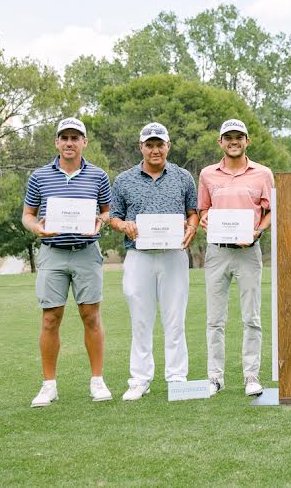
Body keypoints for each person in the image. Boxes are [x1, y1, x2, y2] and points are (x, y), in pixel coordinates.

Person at [21, 117, 112, 407]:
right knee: (50, 318)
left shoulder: (98, 176)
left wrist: (100, 222)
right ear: (57, 142)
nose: (69, 143)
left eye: (75, 138)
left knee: (91, 316)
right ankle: (49, 386)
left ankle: (97, 381)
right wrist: (37, 228)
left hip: (86, 252)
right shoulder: (39, 176)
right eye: (65, 138)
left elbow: (107, 211)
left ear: (84, 142)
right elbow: (28, 215)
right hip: (52, 253)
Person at [109, 123, 199, 401]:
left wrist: (192, 227)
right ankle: (140, 379)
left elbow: (193, 212)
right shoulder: (124, 180)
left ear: (168, 146)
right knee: (140, 320)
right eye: (149, 145)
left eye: (160, 144)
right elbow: (114, 217)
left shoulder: (183, 177)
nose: (155, 150)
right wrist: (124, 226)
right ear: (141, 147)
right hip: (139, 256)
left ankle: (177, 378)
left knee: (175, 319)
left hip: (173, 255)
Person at [198, 119, 273, 397]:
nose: (234, 141)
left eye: (238, 137)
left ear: (247, 141)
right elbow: (203, 209)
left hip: (248, 252)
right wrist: (205, 219)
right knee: (214, 319)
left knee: (251, 317)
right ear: (220, 142)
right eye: (228, 137)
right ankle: (215, 377)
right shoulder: (207, 174)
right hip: (217, 251)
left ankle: (251, 376)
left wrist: (257, 232)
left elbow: (270, 211)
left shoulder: (263, 174)